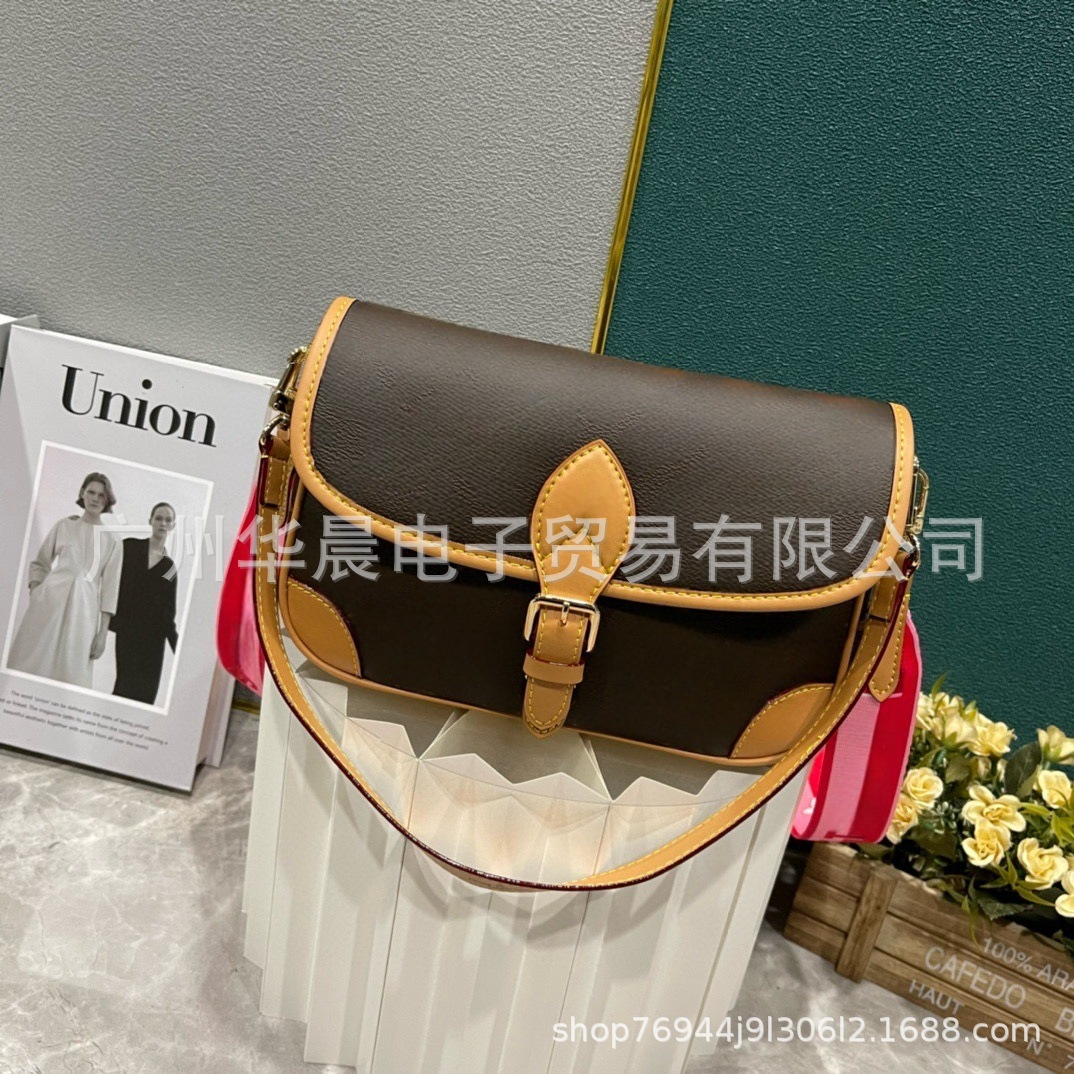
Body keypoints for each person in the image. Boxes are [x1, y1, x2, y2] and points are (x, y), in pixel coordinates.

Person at [7, 472, 121, 689]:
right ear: (82, 493)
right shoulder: (64, 525)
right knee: (29, 666)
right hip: (48, 605)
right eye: (91, 492)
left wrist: (102, 634)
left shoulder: (112, 540)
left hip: (84, 612)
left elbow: (110, 589)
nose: (95, 499)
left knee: (72, 676)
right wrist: (36, 593)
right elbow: (40, 563)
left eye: (102, 495)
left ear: (107, 500)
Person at [110, 502, 179, 704]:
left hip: (154, 640)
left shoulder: (169, 567)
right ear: (150, 521)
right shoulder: (129, 547)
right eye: (158, 518)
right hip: (128, 632)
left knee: (146, 694)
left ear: (173, 525)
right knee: (123, 686)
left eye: (167, 520)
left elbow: (168, 612)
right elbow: (109, 578)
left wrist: (177, 647)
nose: (162, 523)